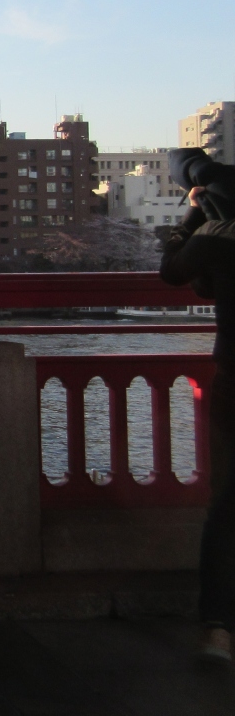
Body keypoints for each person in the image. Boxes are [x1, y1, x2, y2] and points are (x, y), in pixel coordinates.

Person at [160, 179, 235, 662]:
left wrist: (191, 215)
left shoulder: (217, 237)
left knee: (226, 504)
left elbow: (171, 270)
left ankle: (219, 628)